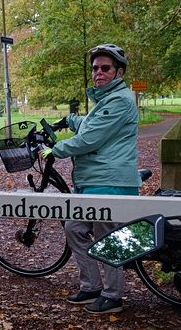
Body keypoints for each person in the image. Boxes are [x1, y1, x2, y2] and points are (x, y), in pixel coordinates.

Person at [40, 44, 141, 314]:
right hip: (95, 181)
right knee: (74, 228)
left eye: (105, 68)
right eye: (95, 68)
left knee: (107, 235)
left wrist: (55, 149)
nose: (98, 72)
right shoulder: (108, 101)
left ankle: (113, 296)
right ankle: (91, 286)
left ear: (118, 72)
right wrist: (68, 120)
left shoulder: (120, 100)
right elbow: (91, 122)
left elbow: (91, 138)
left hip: (110, 180)